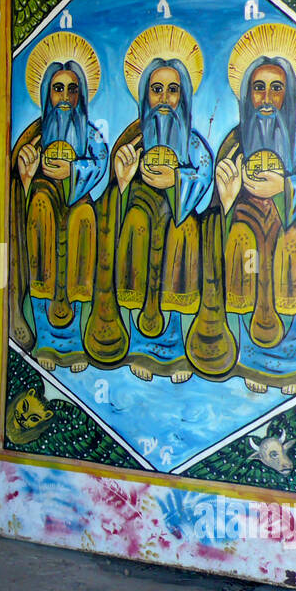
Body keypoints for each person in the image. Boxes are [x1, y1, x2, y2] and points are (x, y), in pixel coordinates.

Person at [190, 23, 296, 393]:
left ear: (288, 95)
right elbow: (215, 203)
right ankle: (250, 365)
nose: (266, 97)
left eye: (275, 88)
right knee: (243, 298)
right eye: (258, 88)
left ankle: (289, 369)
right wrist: (228, 198)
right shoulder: (235, 138)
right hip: (244, 242)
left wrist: (285, 186)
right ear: (247, 94)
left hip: (284, 238)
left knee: (287, 297)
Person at [83, 26, 214, 379]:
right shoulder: (132, 138)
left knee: (183, 229)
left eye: (173, 90)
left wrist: (178, 181)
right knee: (136, 226)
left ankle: (173, 348)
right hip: (137, 226)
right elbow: (108, 194)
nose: (165, 99)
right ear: (145, 95)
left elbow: (204, 180)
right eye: (157, 89)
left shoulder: (193, 144)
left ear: (184, 96)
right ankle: (138, 343)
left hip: (177, 225)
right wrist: (123, 181)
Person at [8, 31, 109, 372]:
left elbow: (100, 164)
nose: (65, 97)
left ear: (81, 94)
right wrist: (27, 177)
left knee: (84, 219)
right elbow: (19, 176)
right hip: (44, 209)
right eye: (58, 88)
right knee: (39, 207)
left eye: (71, 89)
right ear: (47, 94)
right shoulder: (35, 136)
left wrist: (74, 169)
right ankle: (46, 338)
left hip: (77, 206)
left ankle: (76, 339)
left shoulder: (91, 135)